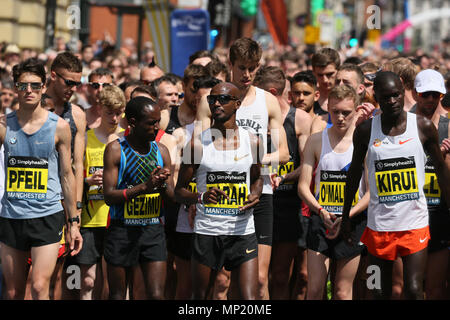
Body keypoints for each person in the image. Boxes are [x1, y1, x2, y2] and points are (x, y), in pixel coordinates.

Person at [340, 71, 450, 300]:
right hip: (379, 227)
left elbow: (440, 170)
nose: (392, 102)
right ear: (376, 97)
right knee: (378, 290)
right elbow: (353, 173)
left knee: (413, 289)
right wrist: (345, 216)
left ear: (403, 94)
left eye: (396, 96)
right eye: (386, 97)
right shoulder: (365, 130)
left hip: (414, 224)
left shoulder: (423, 126)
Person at [196, 37, 290, 300]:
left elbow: (284, 154)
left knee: (259, 281)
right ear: (230, 64)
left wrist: (253, 162)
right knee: (223, 281)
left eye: (253, 67)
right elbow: (198, 152)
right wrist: (196, 196)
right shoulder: (211, 101)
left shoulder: (267, 102)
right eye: (242, 67)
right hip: (221, 194)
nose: (247, 74)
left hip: (260, 195)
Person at [0, 58, 83, 300]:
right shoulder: (4, 125)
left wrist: (74, 222)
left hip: (47, 214)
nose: (29, 91)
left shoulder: (59, 127)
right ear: (16, 87)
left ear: (44, 86)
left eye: (35, 86)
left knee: (38, 286)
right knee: (13, 291)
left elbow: (68, 174)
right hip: (11, 215)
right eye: (23, 85)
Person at [175, 82, 263, 300]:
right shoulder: (196, 145)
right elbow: (178, 191)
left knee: (250, 298)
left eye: (223, 99)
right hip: (208, 231)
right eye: (212, 99)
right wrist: (201, 196)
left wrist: (256, 194)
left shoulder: (253, 142)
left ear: (237, 104)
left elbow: (259, 178)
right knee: (200, 297)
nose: (216, 103)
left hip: (242, 230)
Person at [297, 85, 369, 300]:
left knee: (342, 291)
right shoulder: (317, 140)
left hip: (352, 223)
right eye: (335, 111)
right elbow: (303, 186)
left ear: (356, 110)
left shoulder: (363, 142)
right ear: (328, 107)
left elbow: (371, 192)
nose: (340, 117)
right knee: (315, 289)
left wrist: (348, 215)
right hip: (322, 221)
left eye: (346, 112)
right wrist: (320, 211)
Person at [102, 96, 174, 300]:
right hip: (122, 230)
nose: (157, 127)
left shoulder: (161, 151)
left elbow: (172, 198)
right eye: (151, 123)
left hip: (153, 230)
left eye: (158, 121)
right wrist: (146, 187)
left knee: (156, 295)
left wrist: (161, 186)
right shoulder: (116, 150)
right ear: (133, 122)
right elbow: (109, 196)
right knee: (117, 295)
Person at [253, 66, 312, 299]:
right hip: (258, 202)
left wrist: (285, 176)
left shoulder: (299, 119)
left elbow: (307, 165)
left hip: (288, 205)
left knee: (280, 276)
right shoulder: (254, 118)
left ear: (272, 92)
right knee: (258, 277)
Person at [73, 85, 126, 300]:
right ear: (99, 109)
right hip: (90, 219)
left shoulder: (126, 139)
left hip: (118, 218)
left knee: (117, 282)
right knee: (87, 280)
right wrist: (87, 180)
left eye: (118, 112)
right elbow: (73, 175)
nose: (114, 118)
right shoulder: (86, 138)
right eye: (109, 112)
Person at [45, 51, 87, 299]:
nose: (73, 88)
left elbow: (78, 165)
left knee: (61, 274)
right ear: (52, 75)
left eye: (77, 83)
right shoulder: (32, 106)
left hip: (64, 200)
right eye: (68, 82)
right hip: (34, 199)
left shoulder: (77, 114)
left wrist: (76, 211)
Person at [410, 69, 450, 299]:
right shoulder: (402, 126)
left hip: (439, 215)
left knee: (435, 289)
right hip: (408, 215)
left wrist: (443, 159)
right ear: (415, 94)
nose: (431, 100)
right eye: (426, 95)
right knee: (403, 289)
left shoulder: (448, 128)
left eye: (436, 95)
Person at [311, 48, 341, 115]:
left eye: (329, 74)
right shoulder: (309, 98)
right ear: (314, 73)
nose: (325, 80)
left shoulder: (349, 97)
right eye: (320, 75)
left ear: (339, 70)